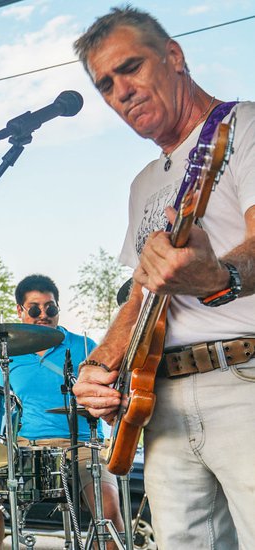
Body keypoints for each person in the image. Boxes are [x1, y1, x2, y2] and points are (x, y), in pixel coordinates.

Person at [72, 7, 255, 548]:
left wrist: (220, 275)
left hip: (243, 378)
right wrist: (101, 365)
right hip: (161, 401)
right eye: (105, 84)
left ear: (173, 56)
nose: (120, 92)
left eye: (130, 68)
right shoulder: (144, 183)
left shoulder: (242, 124)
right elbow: (142, 295)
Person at [0, 275, 123, 546]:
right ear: (20, 310)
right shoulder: (9, 355)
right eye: (35, 308)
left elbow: (108, 393)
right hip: (28, 445)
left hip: (83, 444)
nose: (44, 315)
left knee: (107, 509)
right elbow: (7, 410)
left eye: (50, 308)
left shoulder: (84, 347)